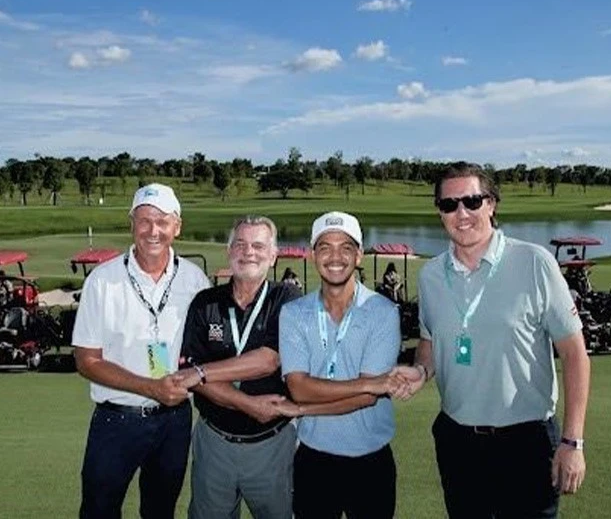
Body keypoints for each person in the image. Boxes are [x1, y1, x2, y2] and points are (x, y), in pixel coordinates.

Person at [392, 163, 591, 518]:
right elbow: (430, 340)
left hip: (526, 442)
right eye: (449, 204)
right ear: (439, 211)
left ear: (492, 204)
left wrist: (572, 442)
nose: (462, 213)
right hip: (457, 441)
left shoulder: (534, 262)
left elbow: (575, 354)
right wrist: (421, 371)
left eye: (471, 201)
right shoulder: (431, 275)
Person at [73, 183, 211, 519]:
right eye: (144, 220)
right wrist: (150, 387)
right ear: (131, 223)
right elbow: (86, 360)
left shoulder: (195, 281)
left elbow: (206, 352)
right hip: (116, 419)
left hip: (174, 422)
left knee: (160, 511)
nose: (153, 231)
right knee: (99, 511)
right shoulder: (102, 281)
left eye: (162, 222)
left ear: (177, 227)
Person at [279, 211, 405, 519]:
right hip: (314, 461)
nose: (335, 256)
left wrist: (304, 409)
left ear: (359, 255)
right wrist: (366, 382)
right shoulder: (293, 313)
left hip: (371, 462)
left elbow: (368, 399)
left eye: (346, 247)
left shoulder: (383, 311)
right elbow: (298, 387)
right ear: (312, 255)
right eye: (325, 247)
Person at [178, 215, 302, 519]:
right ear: (229, 251)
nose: (249, 252)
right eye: (240, 244)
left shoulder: (288, 299)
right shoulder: (204, 302)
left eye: (259, 245)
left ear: (273, 256)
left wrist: (204, 372)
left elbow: (269, 359)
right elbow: (191, 374)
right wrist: (247, 403)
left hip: (271, 445)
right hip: (213, 443)